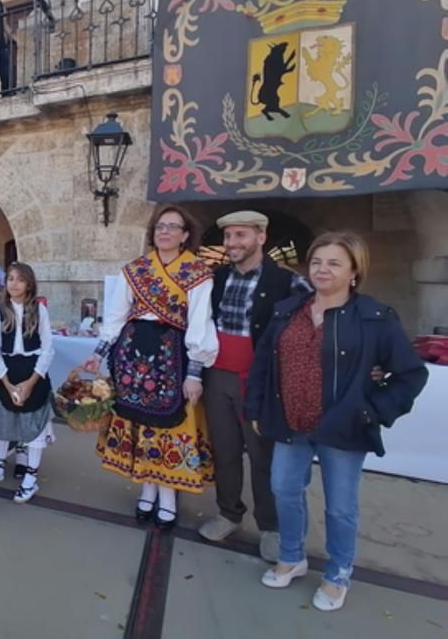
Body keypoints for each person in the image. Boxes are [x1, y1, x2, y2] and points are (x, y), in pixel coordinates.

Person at [246, 231, 428, 611]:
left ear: (354, 271)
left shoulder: (375, 317)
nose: (322, 269)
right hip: (290, 423)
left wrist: (371, 411)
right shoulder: (287, 311)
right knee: (283, 489)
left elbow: (410, 374)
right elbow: (264, 365)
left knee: (340, 506)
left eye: (333, 263)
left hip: (343, 429)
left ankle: (338, 571)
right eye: (316, 262)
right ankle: (293, 556)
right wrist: (257, 410)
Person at [83, 205, 219, 529]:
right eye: (160, 226)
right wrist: (99, 354)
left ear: (186, 235)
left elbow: (201, 323)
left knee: (169, 424)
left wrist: (195, 373)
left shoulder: (197, 273)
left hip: (172, 356)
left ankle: (168, 495)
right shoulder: (135, 270)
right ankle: (147, 487)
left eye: (173, 227)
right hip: (131, 354)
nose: (165, 232)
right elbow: (116, 315)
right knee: (138, 421)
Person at [198, 211, 311, 562]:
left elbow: (315, 321)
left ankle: (271, 526)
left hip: (259, 382)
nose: (232, 243)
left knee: (263, 455)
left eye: (240, 235)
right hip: (217, 377)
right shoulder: (214, 279)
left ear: (261, 237)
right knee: (225, 449)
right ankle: (229, 512)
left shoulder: (287, 281)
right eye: (229, 236)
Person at [0, 262, 55, 503]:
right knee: (4, 423)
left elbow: (47, 349)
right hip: (7, 371)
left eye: (20, 279)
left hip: (33, 371)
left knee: (34, 426)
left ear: (29, 284)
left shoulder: (39, 310)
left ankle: (31, 477)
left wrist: (31, 382)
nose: (14, 283)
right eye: (10, 278)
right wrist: (7, 382)